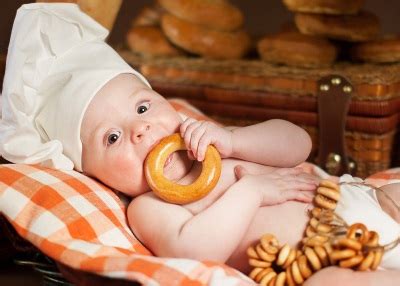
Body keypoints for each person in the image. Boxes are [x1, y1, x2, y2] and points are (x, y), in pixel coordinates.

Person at [1, 3, 399, 285]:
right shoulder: (149, 208)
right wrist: (252, 190)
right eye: (112, 137)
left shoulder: (210, 144)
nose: (139, 131)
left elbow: (299, 144)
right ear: (91, 172)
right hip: (319, 260)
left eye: (142, 107)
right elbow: (196, 252)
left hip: (357, 202)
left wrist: (233, 139)